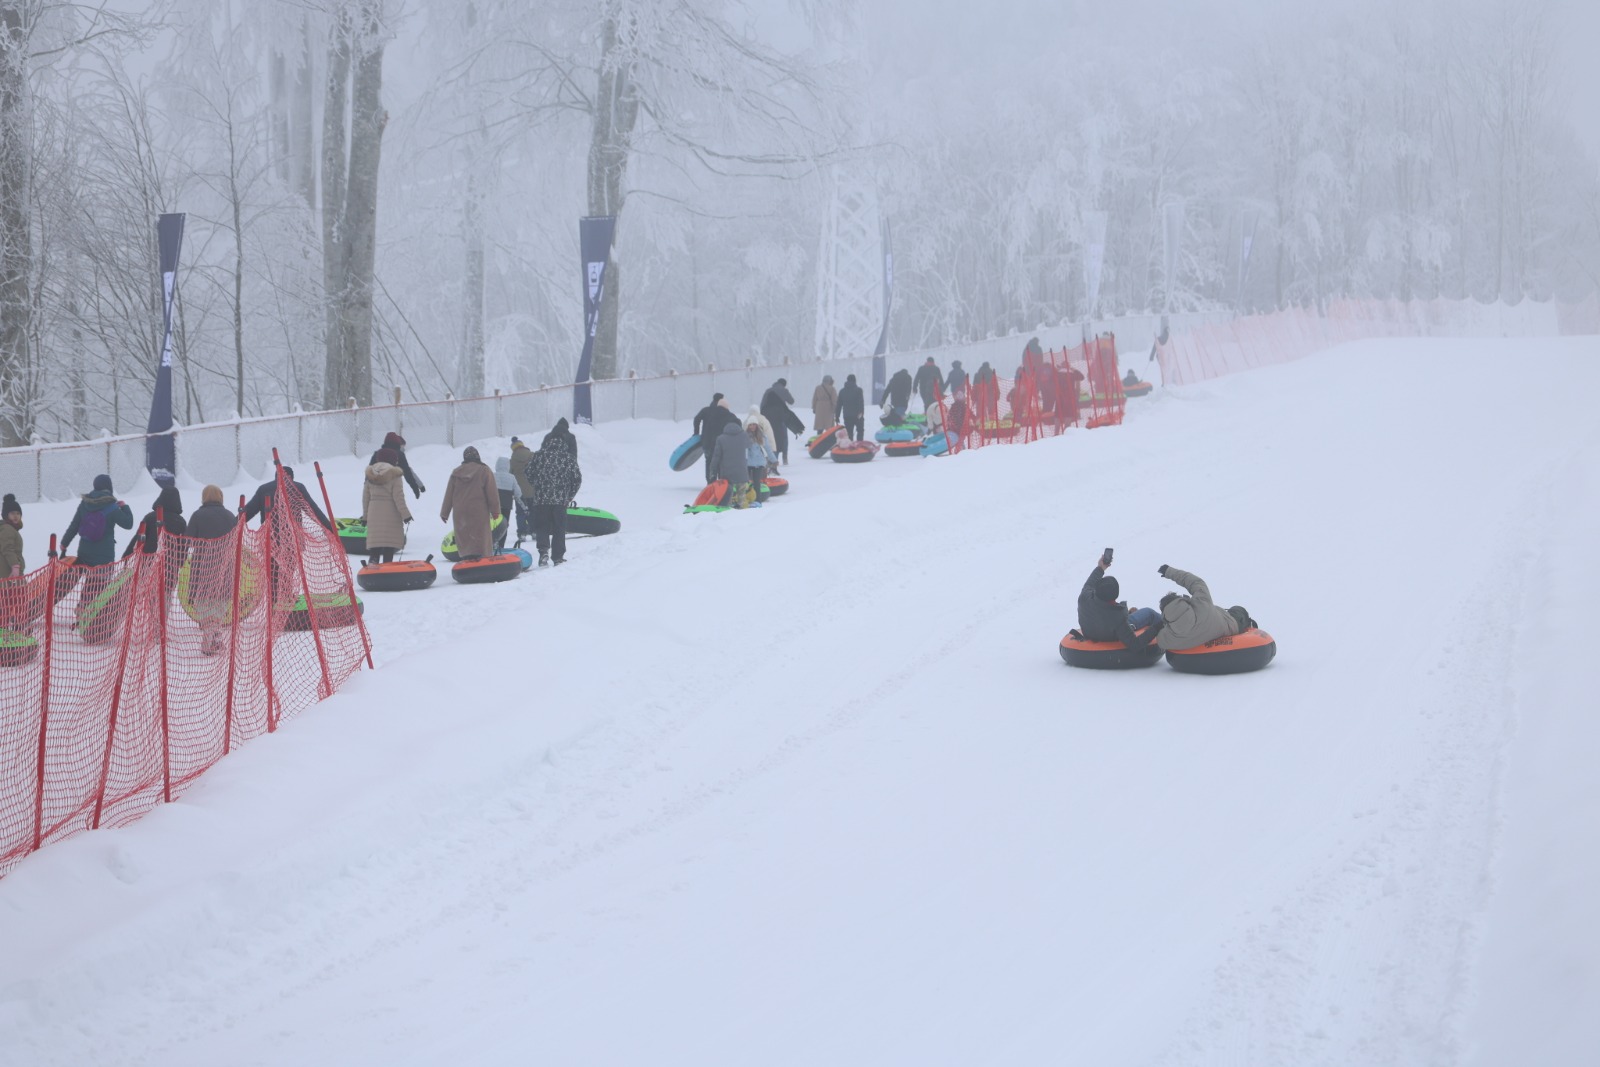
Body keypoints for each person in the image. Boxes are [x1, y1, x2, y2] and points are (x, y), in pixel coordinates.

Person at [1149, 565, 1255, 652]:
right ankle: (1248, 623)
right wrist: (1169, 571)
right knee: (1238, 609)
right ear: (1180, 600)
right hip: (1231, 626)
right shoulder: (1201, 602)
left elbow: (1157, 639)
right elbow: (1196, 582)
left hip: (1216, 625)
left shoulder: (1167, 637)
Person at [187, 485, 239, 655]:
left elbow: (188, 540)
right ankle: (214, 635)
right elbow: (236, 539)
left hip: (203, 565)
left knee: (203, 602)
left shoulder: (197, 515)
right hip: (225, 565)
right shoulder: (230, 516)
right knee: (220, 601)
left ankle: (210, 637)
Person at [1075, 553, 1160, 650]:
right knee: (1149, 613)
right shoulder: (1118, 616)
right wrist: (1157, 628)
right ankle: (1170, 625)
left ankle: (1131, 614)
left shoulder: (1084, 598)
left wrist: (1100, 567)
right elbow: (1135, 644)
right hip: (1112, 634)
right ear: (1115, 595)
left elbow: (1091, 582)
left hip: (1092, 630)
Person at [525, 429, 583, 566]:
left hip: (541, 499)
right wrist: (569, 495)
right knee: (559, 528)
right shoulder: (568, 458)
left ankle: (543, 552)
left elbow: (528, 472)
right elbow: (577, 479)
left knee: (542, 526)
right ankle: (557, 557)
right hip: (560, 500)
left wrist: (537, 485)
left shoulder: (539, 455)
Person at [122, 485, 188, 594]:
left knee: (144, 599)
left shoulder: (150, 517)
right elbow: (183, 546)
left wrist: (126, 556)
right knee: (164, 599)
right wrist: (180, 562)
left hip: (147, 566)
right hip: (169, 570)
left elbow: (137, 538)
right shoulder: (180, 522)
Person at [440, 446, 500, 561]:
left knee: (465, 536)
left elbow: (449, 494)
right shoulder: (484, 470)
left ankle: (467, 559)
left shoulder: (456, 472)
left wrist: (444, 513)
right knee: (480, 537)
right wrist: (495, 510)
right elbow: (492, 492)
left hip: (460, 511)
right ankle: (481, 560)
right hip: (479, 510)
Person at [362, 447, 413, 565]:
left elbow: (365, 498)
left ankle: (372, 566)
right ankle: (387, 568)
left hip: (374, 513)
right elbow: (399, 498)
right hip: (391, 514)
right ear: (392, 460)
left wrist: (365, 517)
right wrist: (406, 515)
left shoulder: (370, 474)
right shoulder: (395, 474)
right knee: (389, 544)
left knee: (375, 545)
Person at [242, 466, 334, 531]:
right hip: (293, 538)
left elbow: (249, 511)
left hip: (269, 538)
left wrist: (235, 524)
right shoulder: (298, 488)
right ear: (291, 477)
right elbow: (313, 511)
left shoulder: (263, 489)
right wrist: (330, 528)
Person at [693, 394, 740, 482]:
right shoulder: (728, 414)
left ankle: (710, 482)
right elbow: (738, 423)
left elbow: (696, 419)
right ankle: (720, 484)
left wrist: (696, 433)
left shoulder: (706, 410)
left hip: (707, 443)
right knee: (720, 463)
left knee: (709, 461)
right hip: (721, 444)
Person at [759, 378, 806, 464]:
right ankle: (784, 457)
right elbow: (791, 401)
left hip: (768, 417)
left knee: (770, 436)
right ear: (784, 384)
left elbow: (762, 404)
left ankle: (771, 456)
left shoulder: (768, 390)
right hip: (781, 415)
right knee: (783, 436)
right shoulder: (784, 390)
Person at [708, 420, 751, 509]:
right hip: (742, 471)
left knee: (728, 496)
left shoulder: (720, 439)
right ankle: (744, 512)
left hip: (727, 474)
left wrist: (713, 471)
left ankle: (729, 513)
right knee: (742, 495)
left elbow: (716, 457)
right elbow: (749, 447)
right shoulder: (744, 436)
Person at [380, 431, 426, 498]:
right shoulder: (399, 455)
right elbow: (408, 472)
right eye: (403, 446)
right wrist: (420, 486)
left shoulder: (381, 453)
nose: (404, 449)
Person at [509, 435, 536, 542]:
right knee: (533, 511)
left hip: (519, 492)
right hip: (533, 490)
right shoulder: (532, 456)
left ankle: (522, 534)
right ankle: (534, 531)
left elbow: (510, 475)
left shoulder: (512, 460)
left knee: (520, 513)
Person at [744, 421, 777, 507]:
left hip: (759, 462)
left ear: (757, 425)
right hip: (748, 463)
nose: (752, 426)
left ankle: (758, 501)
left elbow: (768, 449)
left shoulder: (762, 436)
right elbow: (743, 450)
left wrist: (774, 460)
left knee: (757, 483)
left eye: (754, 424)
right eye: (750, 425)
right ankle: (747, 500)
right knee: (746, 483)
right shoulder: (744, 436)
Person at [492, 457, 518, 550]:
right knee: (504, 525)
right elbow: (517, 492)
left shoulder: (492, 476)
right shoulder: (512, 477)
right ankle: (501, 545)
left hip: (494, 505)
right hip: (507, 506)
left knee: (493, 524)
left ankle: (492, 543)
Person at [837, 373, 866, 441]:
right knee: (860, 431)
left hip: (847, 416)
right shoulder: (859, 390)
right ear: (855, 381)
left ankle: (849, 446)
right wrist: (861, 413)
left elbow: (839, 405)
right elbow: (861, 403)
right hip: (857, 415)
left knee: (849, 433)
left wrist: (837, 416)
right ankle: (859, 445)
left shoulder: (842, 391)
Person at [1, 494, 22, 579]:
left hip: (10, 573)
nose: (16, 516)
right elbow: (7, 548)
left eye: (18, 513)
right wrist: (15, 566)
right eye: (12, 513)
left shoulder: (12, 529)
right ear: (6, 515)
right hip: (8, 573)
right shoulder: (7, 529)